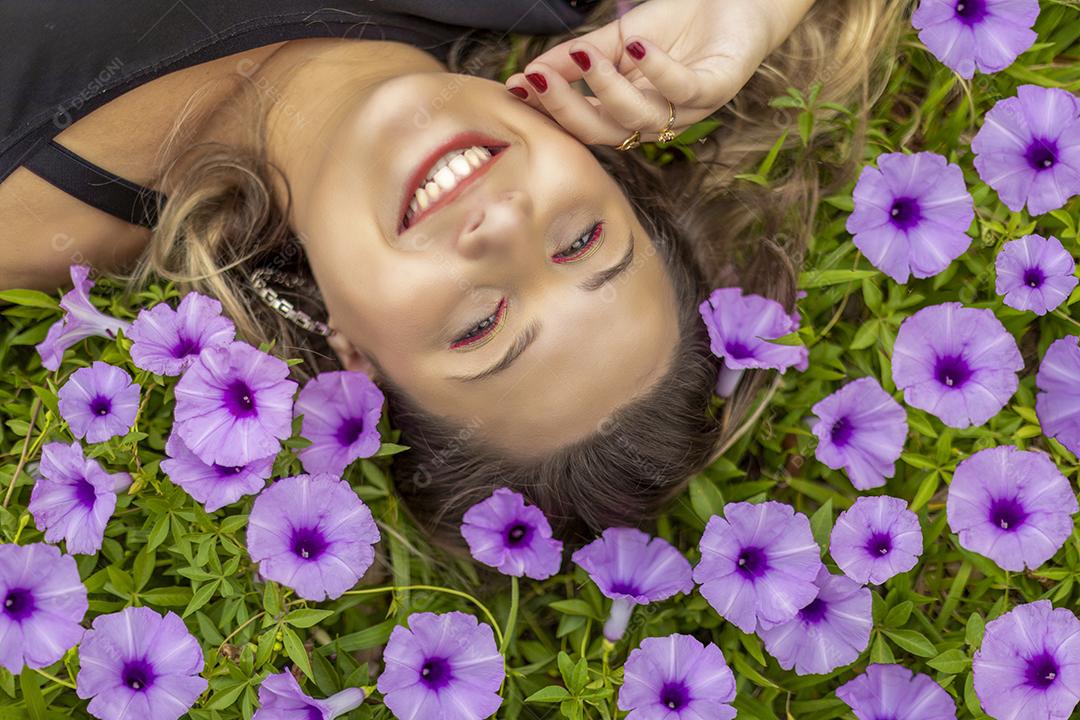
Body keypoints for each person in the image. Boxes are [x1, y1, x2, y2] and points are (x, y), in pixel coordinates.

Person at [0, 0, 906, 540]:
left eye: (481, 328)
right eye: (582, 243)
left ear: (355, 363)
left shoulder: (25, 214)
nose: (503, 230)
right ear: (612, 166)